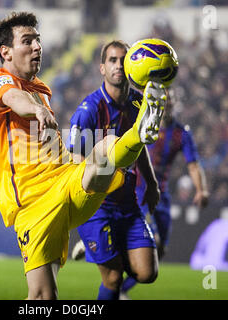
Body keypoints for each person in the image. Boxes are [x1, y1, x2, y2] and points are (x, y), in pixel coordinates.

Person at [0, 11, 168, 300]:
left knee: (106, 146)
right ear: (5, 52)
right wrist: (35, 109)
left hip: (66, 180)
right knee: (43, 297)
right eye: (27, 41)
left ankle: (140, 130)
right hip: (34, 205)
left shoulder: (41, 89)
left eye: (38, 40)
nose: (36, 47)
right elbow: (15, 101)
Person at [67, 40, 160, 300]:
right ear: (102, 68)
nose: (118, 65)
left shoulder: (140, 104)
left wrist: (151, 184)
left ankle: (100, 249)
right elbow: (73, 159)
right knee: (114, 277)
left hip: (127, 203)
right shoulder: (89, 110)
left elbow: (139, 146)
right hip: (96, 206)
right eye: (112, 60)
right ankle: (98, 246)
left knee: (147, 273)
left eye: (123, 60)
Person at [119, 88, 209, 298]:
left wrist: (201, 190)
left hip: (162, 195)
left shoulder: (181, 133)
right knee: (154, 242)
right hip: (138, 192)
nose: (167, 104)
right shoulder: (143, 123)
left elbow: (193, 165)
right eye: (164, 100)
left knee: (160, 251)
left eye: (171, 100)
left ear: (175, 104)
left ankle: (121, 287)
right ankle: (118, 289)